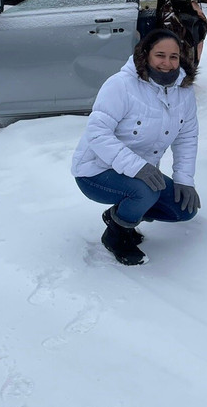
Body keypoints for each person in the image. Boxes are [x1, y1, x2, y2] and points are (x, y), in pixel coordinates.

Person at [71, 29, 200, 265]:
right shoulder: (121, 85)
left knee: (184, 209)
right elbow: (97, 133)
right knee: (145, 192)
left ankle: (118, 215)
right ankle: (116, 236)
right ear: (146, 55)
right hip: (96, 171)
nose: (167, 63)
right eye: (160, 55)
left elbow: (187, 137)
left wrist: (184, 179)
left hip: (141, 173)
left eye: (174, 56)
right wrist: (138, 168)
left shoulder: (183, 91)